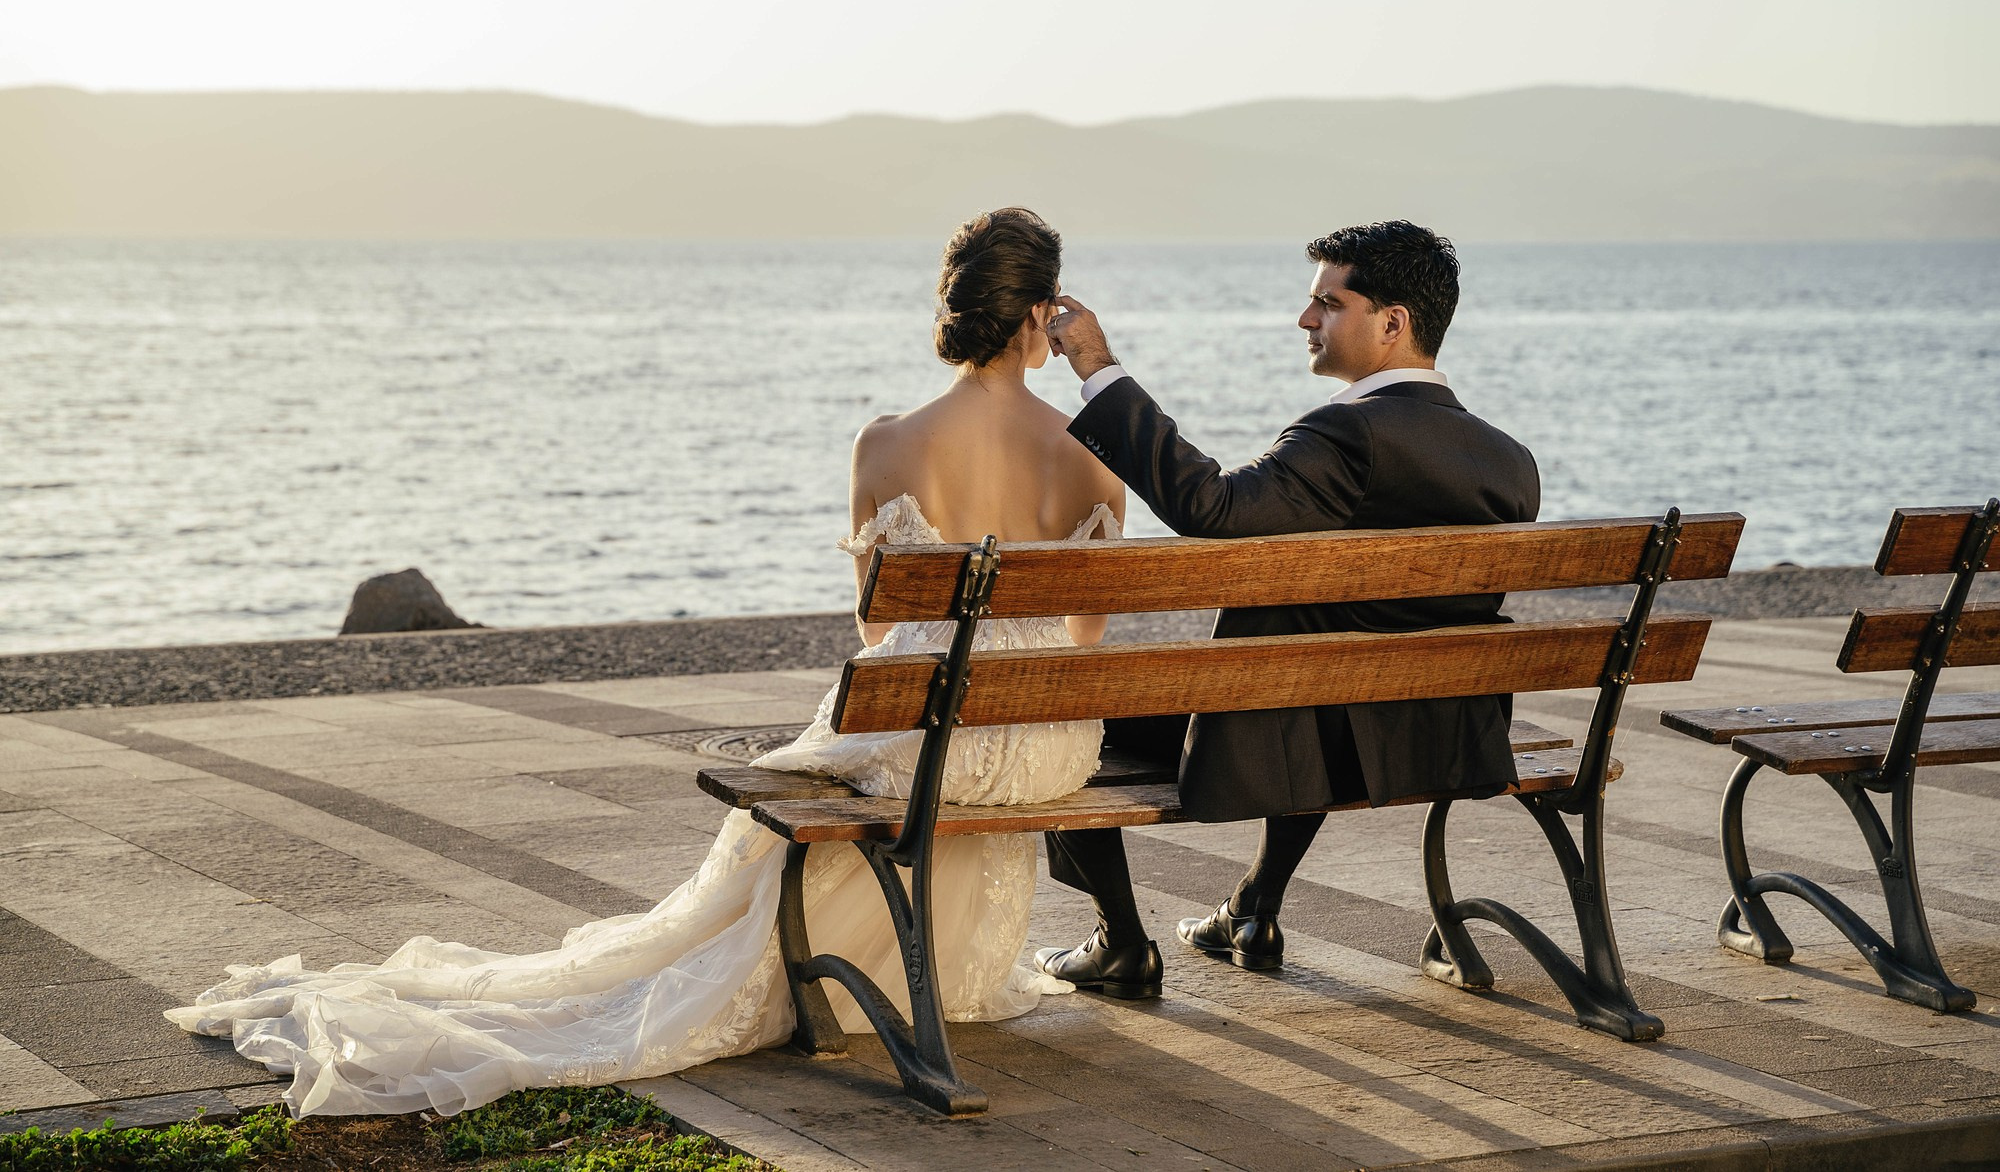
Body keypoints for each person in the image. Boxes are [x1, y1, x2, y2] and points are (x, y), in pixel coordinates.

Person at [166, 207, 1125, 1116]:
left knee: (843, 750)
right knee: (900, 741)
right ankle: (920, 959)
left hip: (931, 742)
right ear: (1044, 311)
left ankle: (811, 963)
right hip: (1045, 745)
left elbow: (881, 635)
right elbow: (1084, 637)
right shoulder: (1092, 452)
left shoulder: (889, 442)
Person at [1034, 219, 1539, 999]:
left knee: (1052, 719)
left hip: (1314, 728)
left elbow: (1213, 506)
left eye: (1328, 305)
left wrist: (1098, 368)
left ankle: (1121, 939)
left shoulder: (1346, 434)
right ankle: (1253, 905)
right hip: (1444, 734)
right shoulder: (1509, 461)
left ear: (1392, 323)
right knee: (1316, 669)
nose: (1306, 320)